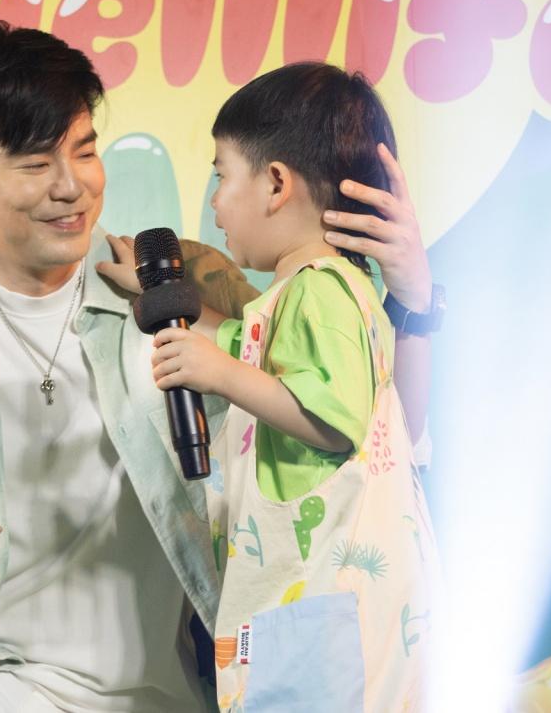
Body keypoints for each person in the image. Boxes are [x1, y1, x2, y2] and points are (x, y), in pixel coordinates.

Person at [0, 24, 441, 712]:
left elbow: (366, 441)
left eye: (85, 150)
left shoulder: (184, 282)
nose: (72, 187)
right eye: (36, 164)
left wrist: (413, 304)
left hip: (148, 697)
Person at [100, 62, 438, 711]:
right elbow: (242, 342)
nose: (215, 202)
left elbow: (332, 415)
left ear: (277, 183)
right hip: (312, 616)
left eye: (222, 176)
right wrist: (160, 294)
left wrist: (218, 373)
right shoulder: (302, 296)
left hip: (328, 620)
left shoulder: (322, 288)